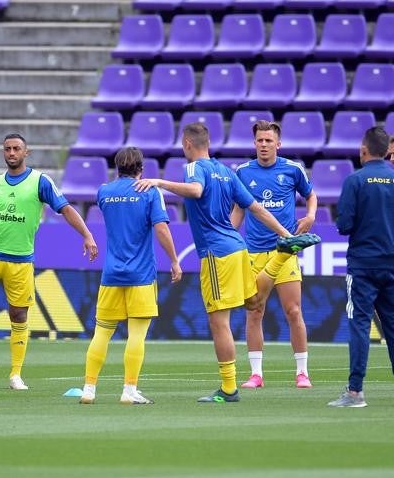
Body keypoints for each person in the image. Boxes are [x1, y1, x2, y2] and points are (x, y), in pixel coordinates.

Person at [133, 122, 319, 403]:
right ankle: (283, 252)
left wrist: (159, 182)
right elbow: (255, 207)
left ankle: (229, 388)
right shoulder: (227, 172)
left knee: (219, 322)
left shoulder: (194, 168)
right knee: (254, 302)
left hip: (216, 253)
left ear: (186, 144)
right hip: (238, 247)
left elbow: (195, 190)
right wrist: (286, 234)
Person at [0, 133, 98, 391]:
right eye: (7, 149)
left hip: (20, 261)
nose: (11, 153)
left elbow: (65, 208)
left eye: (16, 149)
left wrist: (87, 235)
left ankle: (16, 374)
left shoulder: (39, 181)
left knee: (18, 314)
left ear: (25, 153)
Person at [80, 147, 182, 405]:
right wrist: (174, 260)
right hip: (141, 274)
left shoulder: (104, 192)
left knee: (101, 333)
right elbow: (161, 229)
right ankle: (129, 390)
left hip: (112, 273)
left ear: (117, 166)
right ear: (141, 168)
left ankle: (88, 389)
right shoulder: (149, 192)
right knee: (136, 335)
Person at [329, 126, 394, 408]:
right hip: (393, 264)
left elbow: (344, 225)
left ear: (364, 150)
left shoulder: (355, 181)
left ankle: (355, 392)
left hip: (363, 265)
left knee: (359, 323)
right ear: (386, 151)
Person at [232, 120, 318, 390]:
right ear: (254, 143)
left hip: (285, 250)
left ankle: (302, 372)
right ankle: (256, 374)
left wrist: (311, 215)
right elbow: (238, 210)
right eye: (260, 140)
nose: (264, 145)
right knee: (254, 311)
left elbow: (311, 195)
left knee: (293, 311)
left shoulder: (292, 169)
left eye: (269, 141)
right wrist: (228, 236)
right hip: (254, 252)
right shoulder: (243, 172)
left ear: (278, 144)